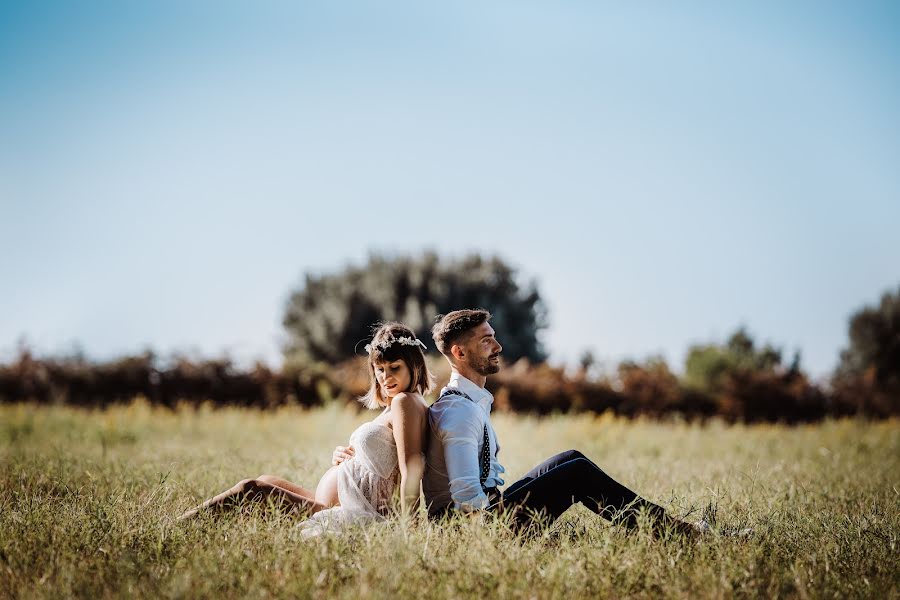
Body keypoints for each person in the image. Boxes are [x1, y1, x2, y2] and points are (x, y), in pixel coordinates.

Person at [423, 309, 700, 536]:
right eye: (486, 341)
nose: (498, 347)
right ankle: (671, 532)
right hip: (472, 533)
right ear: (459, 353)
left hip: (487, 514)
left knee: (569, 458)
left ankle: (662, 526)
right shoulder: (459, 412)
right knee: (575, 472)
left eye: (493, 337)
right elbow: (467, 499)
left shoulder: (469, 401)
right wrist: (494, 536)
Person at [179, 322, 434, 535]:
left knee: (252, 489)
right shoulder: (397, 405)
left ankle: (179, 527)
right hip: (338, 501)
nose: (385, 377)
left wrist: (408, 532)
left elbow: (410, 468)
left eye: (394, 368)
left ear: (413, 365)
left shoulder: (405, 403)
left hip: (360, 513)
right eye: (379, 370)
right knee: (267, 480)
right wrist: (347, 458)